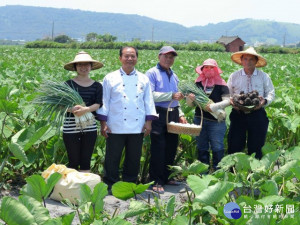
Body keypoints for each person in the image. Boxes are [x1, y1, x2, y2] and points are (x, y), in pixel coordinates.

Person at [96, 46, 157, 192]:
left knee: (134, 157)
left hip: (137, 125)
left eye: (133, 56)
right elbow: (105, 101)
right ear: (120, 58)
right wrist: (103, 123)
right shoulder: (110, 78)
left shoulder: (143, 78)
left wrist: (148, 122)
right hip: (115, 124)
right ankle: (111, 184)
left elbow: (148, 101)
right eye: (126, 56)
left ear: (136, 58)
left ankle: (130, 184)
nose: (130, 59)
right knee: (112, 157)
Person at [145, 46, 187, 194]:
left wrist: (181, 113)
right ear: (159, 57)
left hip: (173, 113)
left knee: (171, 145)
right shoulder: (151, 73)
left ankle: (166, 177)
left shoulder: (174, 75)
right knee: (158, 146)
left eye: (171, 57)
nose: (169, 59)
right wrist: (170, 95)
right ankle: (155, 180)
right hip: (158, 113)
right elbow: (149, 95)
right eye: (166, 56)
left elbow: (177, 98)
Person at [227, 47, 275, 159]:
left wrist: (264, 102)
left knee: (257, 146)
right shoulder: (234, 76)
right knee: (235, 145)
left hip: (257, 114)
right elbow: (228, 93)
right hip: (238, 114)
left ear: (256, 61)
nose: (248, 62)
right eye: (245, 59)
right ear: (242, 60)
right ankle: (233, 172)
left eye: (251, 59)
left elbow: (271, 93)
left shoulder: (264, 76)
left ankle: (255, 173)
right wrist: (232, 101)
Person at [187, 59, 230, 171]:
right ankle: (203, 171)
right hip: (199, 119)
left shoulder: (221, 84)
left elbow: (227, 101)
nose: (209, 69)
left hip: (217, 121)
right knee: (201, 146)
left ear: (216, 69)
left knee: (217, 146)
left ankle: (218, 171)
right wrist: (189, 99)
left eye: (211, 67)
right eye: (206, 67)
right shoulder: (197, 84)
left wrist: (213, 107)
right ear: (202, 69)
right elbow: (191, 105)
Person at [63, 51, 103, 172]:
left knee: (86, 160)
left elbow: (98, 103)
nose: (83, 67)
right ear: (75, 67)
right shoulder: (67, 84)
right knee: (73, 160)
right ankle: (72, 188)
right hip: (70, 126)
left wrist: (86, 109)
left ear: (91, 67)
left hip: (89, 125)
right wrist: (72, 109)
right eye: (80, 65)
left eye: (86, 65)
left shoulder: (97, 86)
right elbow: (61, 105)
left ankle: (85, 188)